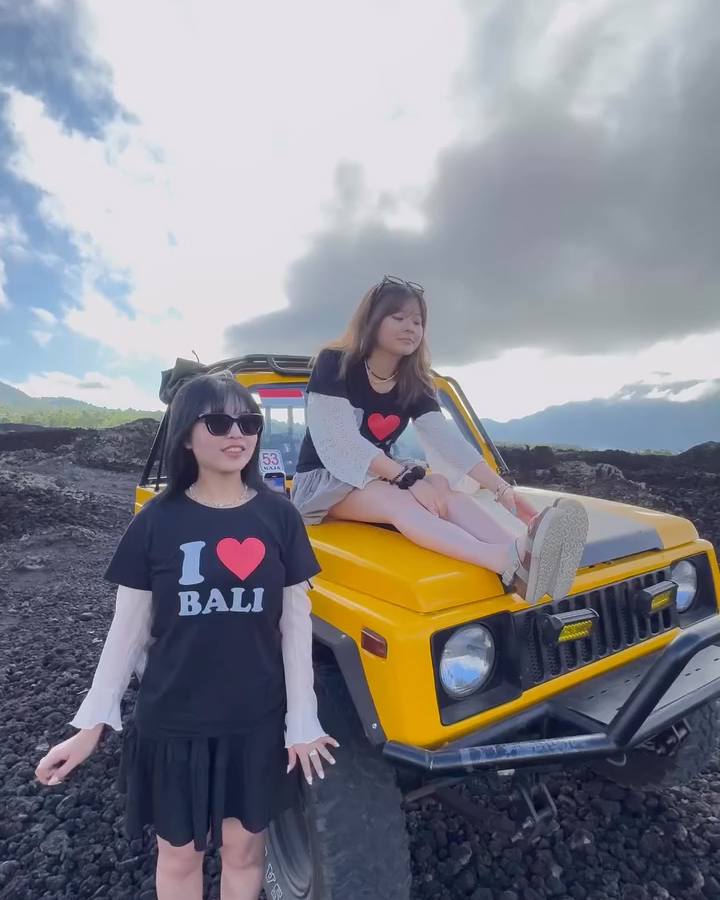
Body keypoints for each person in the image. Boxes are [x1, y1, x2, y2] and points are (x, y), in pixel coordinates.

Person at [35, 371, 338, 900]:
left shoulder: (280, 516)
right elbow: (127, 631)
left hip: (255, 722)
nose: (236, 433)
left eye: (248, 422)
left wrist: (303, 719)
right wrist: (90, 725)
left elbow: (295, 624)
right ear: (184, 437)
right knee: (178, 858)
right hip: (173, 720)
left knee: (244, 853)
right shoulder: (156, 520)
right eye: (218, 422)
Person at [291, 275, 589, 606]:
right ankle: (502, 560)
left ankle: (525, 554)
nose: (410, 328)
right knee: (400, 500)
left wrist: (503, 490)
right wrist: (406, 480)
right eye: (398, 317)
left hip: (383, 474)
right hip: (324, 480)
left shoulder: (415, 380)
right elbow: (342, 439)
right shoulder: (335, 363)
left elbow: (448, 442)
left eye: (417, 321)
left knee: (441, 487)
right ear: (372, 321)